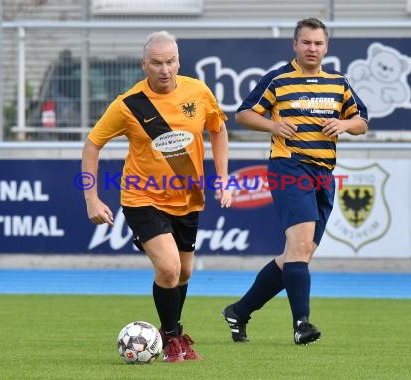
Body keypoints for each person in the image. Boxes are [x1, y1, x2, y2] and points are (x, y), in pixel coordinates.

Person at [82, 31, 231, 363]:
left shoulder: (199, 91)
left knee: (184, 274)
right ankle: (171, 339)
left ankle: (174, 332)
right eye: (157, 63)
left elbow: (218, 130)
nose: (165, 70)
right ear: (144, 64)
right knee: (168, 269)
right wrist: (91, 198)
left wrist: (222, 178)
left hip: (189, 197)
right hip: (141, 198)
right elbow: (92, 144)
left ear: (178, 61)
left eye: (170, 62)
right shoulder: (128, 104)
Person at [222, 18, 368, 345]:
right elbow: (244, 113)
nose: (312, 48)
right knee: (300, 249)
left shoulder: (338, 83)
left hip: (323, 173)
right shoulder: (278, 79)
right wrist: (273, 126)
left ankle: (239, 311)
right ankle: (301, 324)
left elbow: (362, 121)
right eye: (306, 42)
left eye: (318, 43)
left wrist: (344, 126)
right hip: (289, 167)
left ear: (326, 47)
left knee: (298, 254)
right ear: (295, 45)